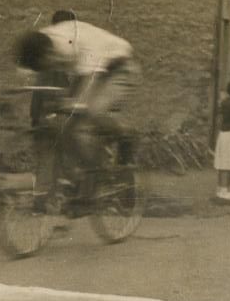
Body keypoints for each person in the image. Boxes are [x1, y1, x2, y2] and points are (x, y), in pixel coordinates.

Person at [14, 15, 138, 206]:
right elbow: (26, 69)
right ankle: (91, 177)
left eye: (47, 64)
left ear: (49, 54)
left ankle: (126, 136)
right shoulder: (40, 42)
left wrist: (76, 103)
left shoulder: (78, 43)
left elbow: (91, 78)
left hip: (118, 67)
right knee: (65, 127)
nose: (48, 69)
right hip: (86, 71)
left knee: (92, 111)